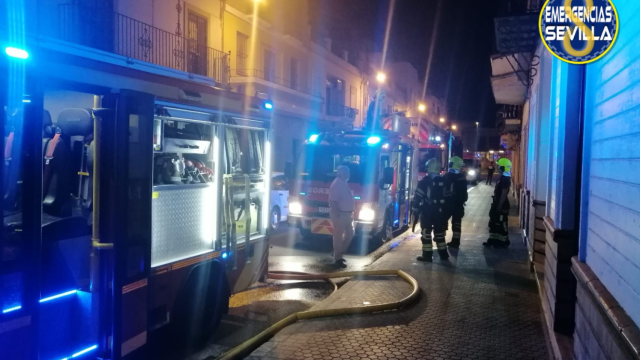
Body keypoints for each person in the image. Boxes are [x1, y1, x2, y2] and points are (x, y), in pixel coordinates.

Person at [412, 158, 449, 262]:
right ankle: (444, 255)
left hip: (427, 212)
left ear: (428, 168)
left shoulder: (425, 181)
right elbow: (448, 197)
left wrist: (415, 208)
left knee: (426, 233)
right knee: (439, 233)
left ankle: (427, 256)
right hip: (440, 212)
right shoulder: (443, 180)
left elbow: (418, 196)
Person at [329, 165, 355, 268]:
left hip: (347, 214)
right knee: (338, 236)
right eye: (347, 172)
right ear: (342, 173)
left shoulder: (343, 182)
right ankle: (337, 258)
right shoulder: (337, 184)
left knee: (350, 233)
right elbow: (332, 201)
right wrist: (338, 214)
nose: (349, 174)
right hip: (341, 214)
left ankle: (338, 253)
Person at [484, 158, 512, 248]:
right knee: (493, 221)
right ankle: (493, 239)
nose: (497, 167)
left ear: (503, 167)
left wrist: (500, 205)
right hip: (497, 202)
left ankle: (503, 241)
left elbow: (504, 193)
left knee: (501, 223)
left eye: (499, 166)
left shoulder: (505, 179)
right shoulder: (502, 177)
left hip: (502, 205)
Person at [444, 156, 468, 248]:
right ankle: (456, 241)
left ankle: (440, 238)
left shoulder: (448, 176)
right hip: (459, 204)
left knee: (443, 220)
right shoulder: (461, 176)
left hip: (448, 203)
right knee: (457, 223)